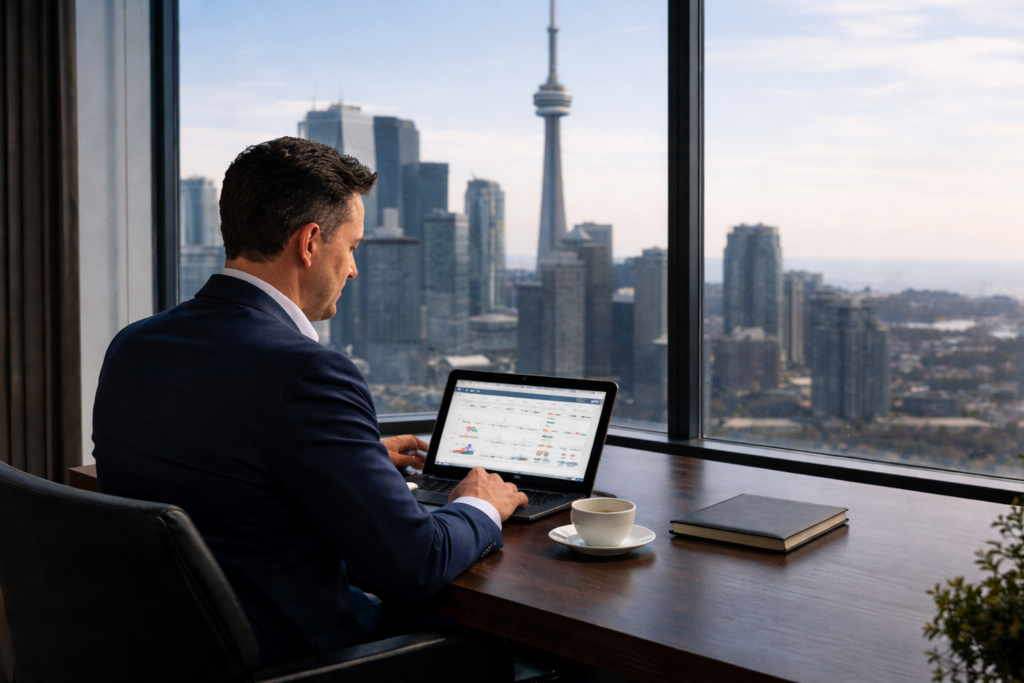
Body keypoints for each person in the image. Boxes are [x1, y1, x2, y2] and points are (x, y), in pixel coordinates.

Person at [92, 137, 528, 666]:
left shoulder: (134, 344)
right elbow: (415, 564)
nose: (353, 269)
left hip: (163, 655)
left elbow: (223, 464)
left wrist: (348, 455)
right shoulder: (308, 372)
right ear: (310, 243)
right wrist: (481, 503)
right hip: (296, 659)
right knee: (501, 650)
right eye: (353, 248)